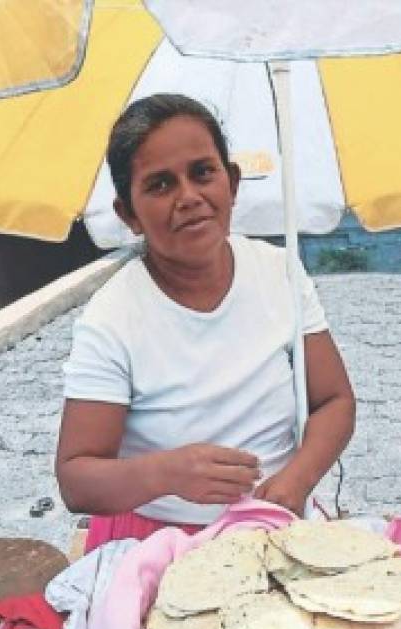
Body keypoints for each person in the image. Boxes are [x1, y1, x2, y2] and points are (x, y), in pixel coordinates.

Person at [55, 94, 356, 554]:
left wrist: (296, 479)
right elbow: (77, 478)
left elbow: (334, 400)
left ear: (231, 183)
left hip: (277, 521)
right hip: (158, 541)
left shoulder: (279, 272)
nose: (189, 197)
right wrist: (166, 473)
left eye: (202, 173)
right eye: (159, 185)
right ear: (129, 215)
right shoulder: (113, 319)